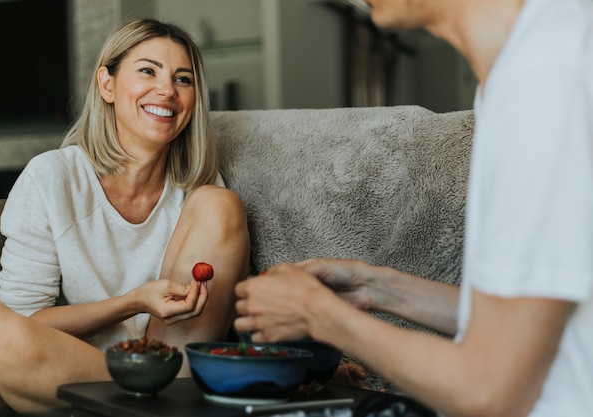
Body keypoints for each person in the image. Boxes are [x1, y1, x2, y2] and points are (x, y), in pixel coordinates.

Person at [233, 0, 593, 416]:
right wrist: (377, 288)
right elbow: (521, 322)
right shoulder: (525, 64)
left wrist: (318, 314)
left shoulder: (549, 76)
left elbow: (489, 392)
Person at [0, 18, 250, 414]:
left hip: (169, 375)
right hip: (65, 374)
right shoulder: (53, 177)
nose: (167, 90)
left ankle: (160, 403)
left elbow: (209, 329)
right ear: (107, 85)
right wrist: (132, 302)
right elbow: (25, 324)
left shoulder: (200, 196)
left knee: (220, 203)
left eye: (183, 80)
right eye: (148, 71)